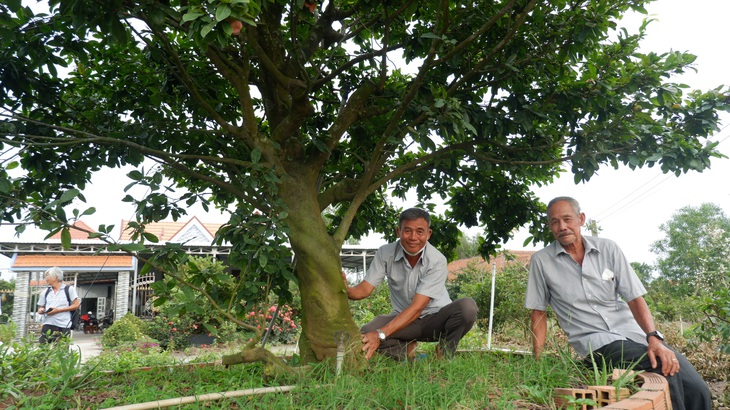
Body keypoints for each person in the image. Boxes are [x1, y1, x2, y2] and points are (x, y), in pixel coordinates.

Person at [525, 197, 711, 410]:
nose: (562, 227)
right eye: (555, 222)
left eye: (567, 219)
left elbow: (634, 297)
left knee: (698, 389)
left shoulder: (608, 249)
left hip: (633, 334)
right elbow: (538, 312)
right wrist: (537, 361)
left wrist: (653, 337)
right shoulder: (542, 261)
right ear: (550, 226)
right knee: (661, 367)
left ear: (581, 219)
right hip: (595, 342)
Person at [343, 207, 478, 361]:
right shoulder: (385, 253)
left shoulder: (437, 260)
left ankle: (444, 353)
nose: (413, 237)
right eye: (407, 231)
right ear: (398, 232)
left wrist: (380, 335)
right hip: (405, 321)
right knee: (367, 333)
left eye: (420, 231)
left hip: (436, 320)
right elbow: (364, 290)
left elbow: (417, 308)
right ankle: (406, 349)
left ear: (428, 234)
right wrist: (346, 289)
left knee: (467, 307)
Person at [37, 266, 81, 343]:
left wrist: (58, 310)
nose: (46, 278)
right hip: (47, 324)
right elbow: (41, 306)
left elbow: (76, 305)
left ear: (56, 277)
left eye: (48, 276)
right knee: (44, 350)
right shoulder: (45, 292)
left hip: (63, 325)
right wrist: (41, 310)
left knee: (62, 351)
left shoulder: (69, 290)